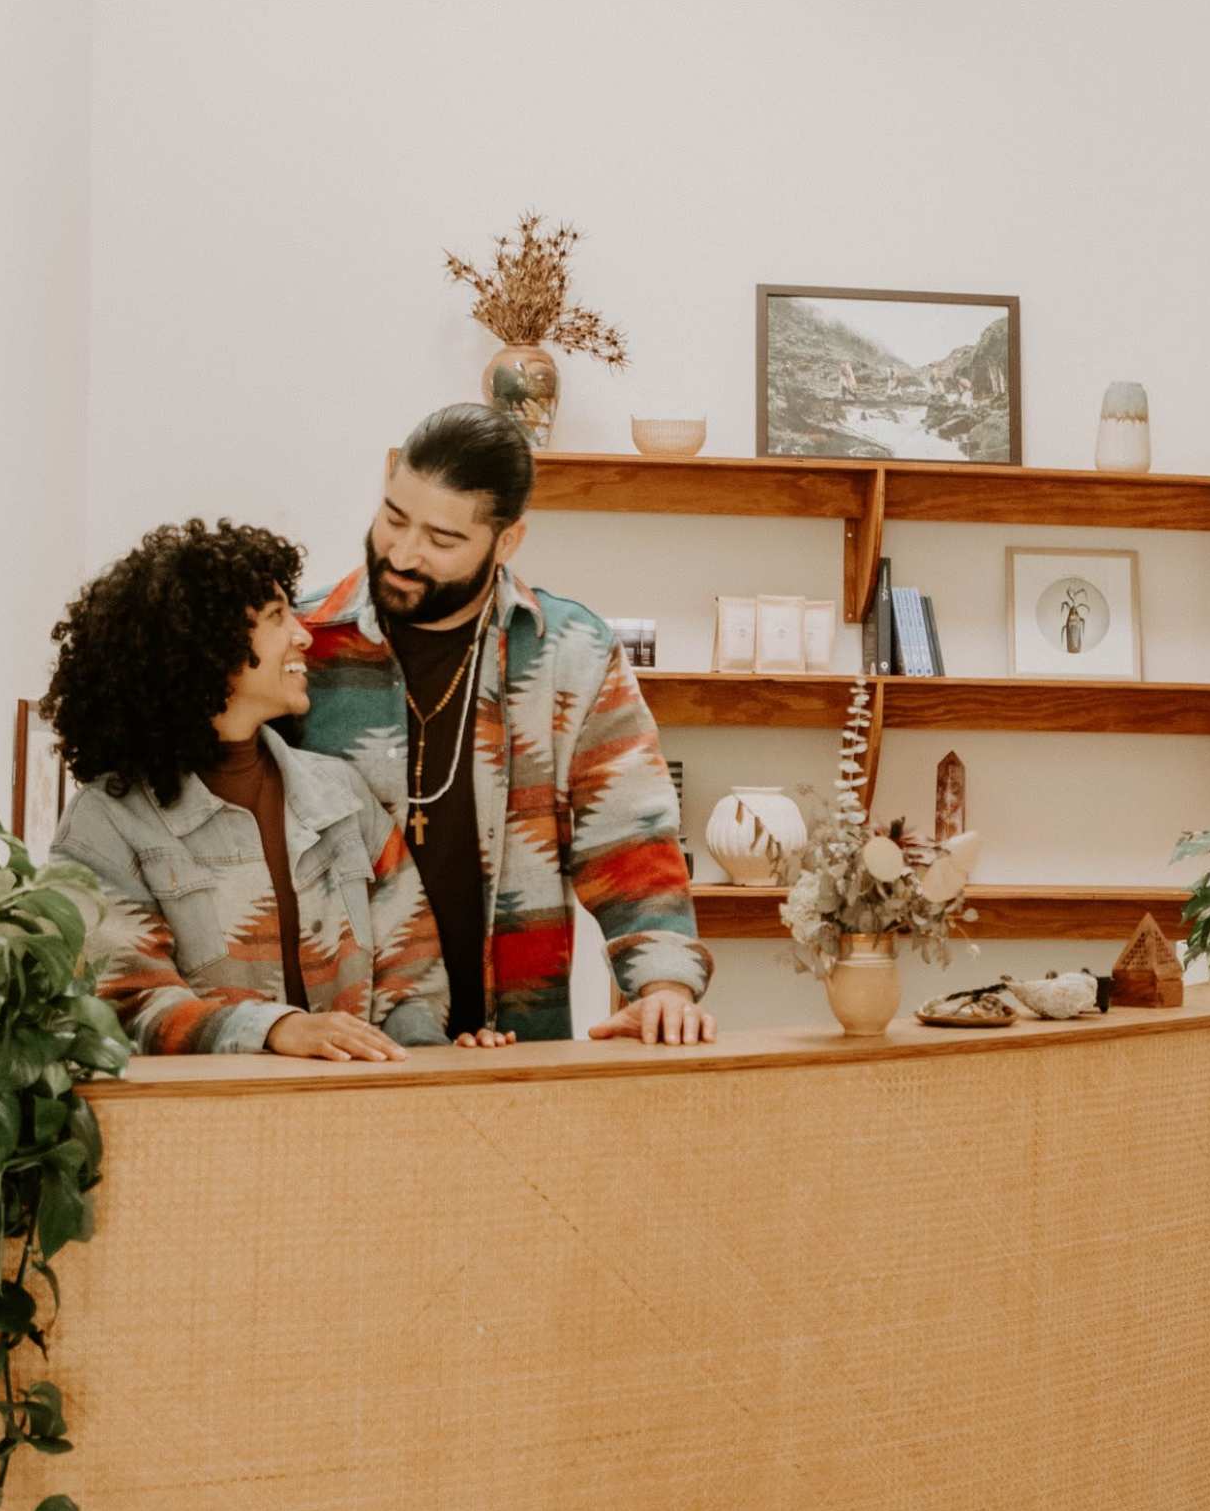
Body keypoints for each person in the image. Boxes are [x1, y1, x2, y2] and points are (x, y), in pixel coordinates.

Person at [292, 404, 717, 1045]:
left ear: (507, 541)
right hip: (329, 1048)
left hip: (509, 1045)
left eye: (442, 540)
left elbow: (631, 842)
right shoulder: (299, 643)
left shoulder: (569, 650)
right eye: (393, 518)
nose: (403, 554)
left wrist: (664, 988)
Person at [39, 518, 446, 1059]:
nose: (303, 634)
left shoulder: (342, 794)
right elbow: (125, 1003)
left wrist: (435, 1053)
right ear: (207, 647)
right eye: (278, 617)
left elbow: (412, 963)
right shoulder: (106, 824)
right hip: (215, 1131)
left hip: (361, 1122)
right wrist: (273, 1029)